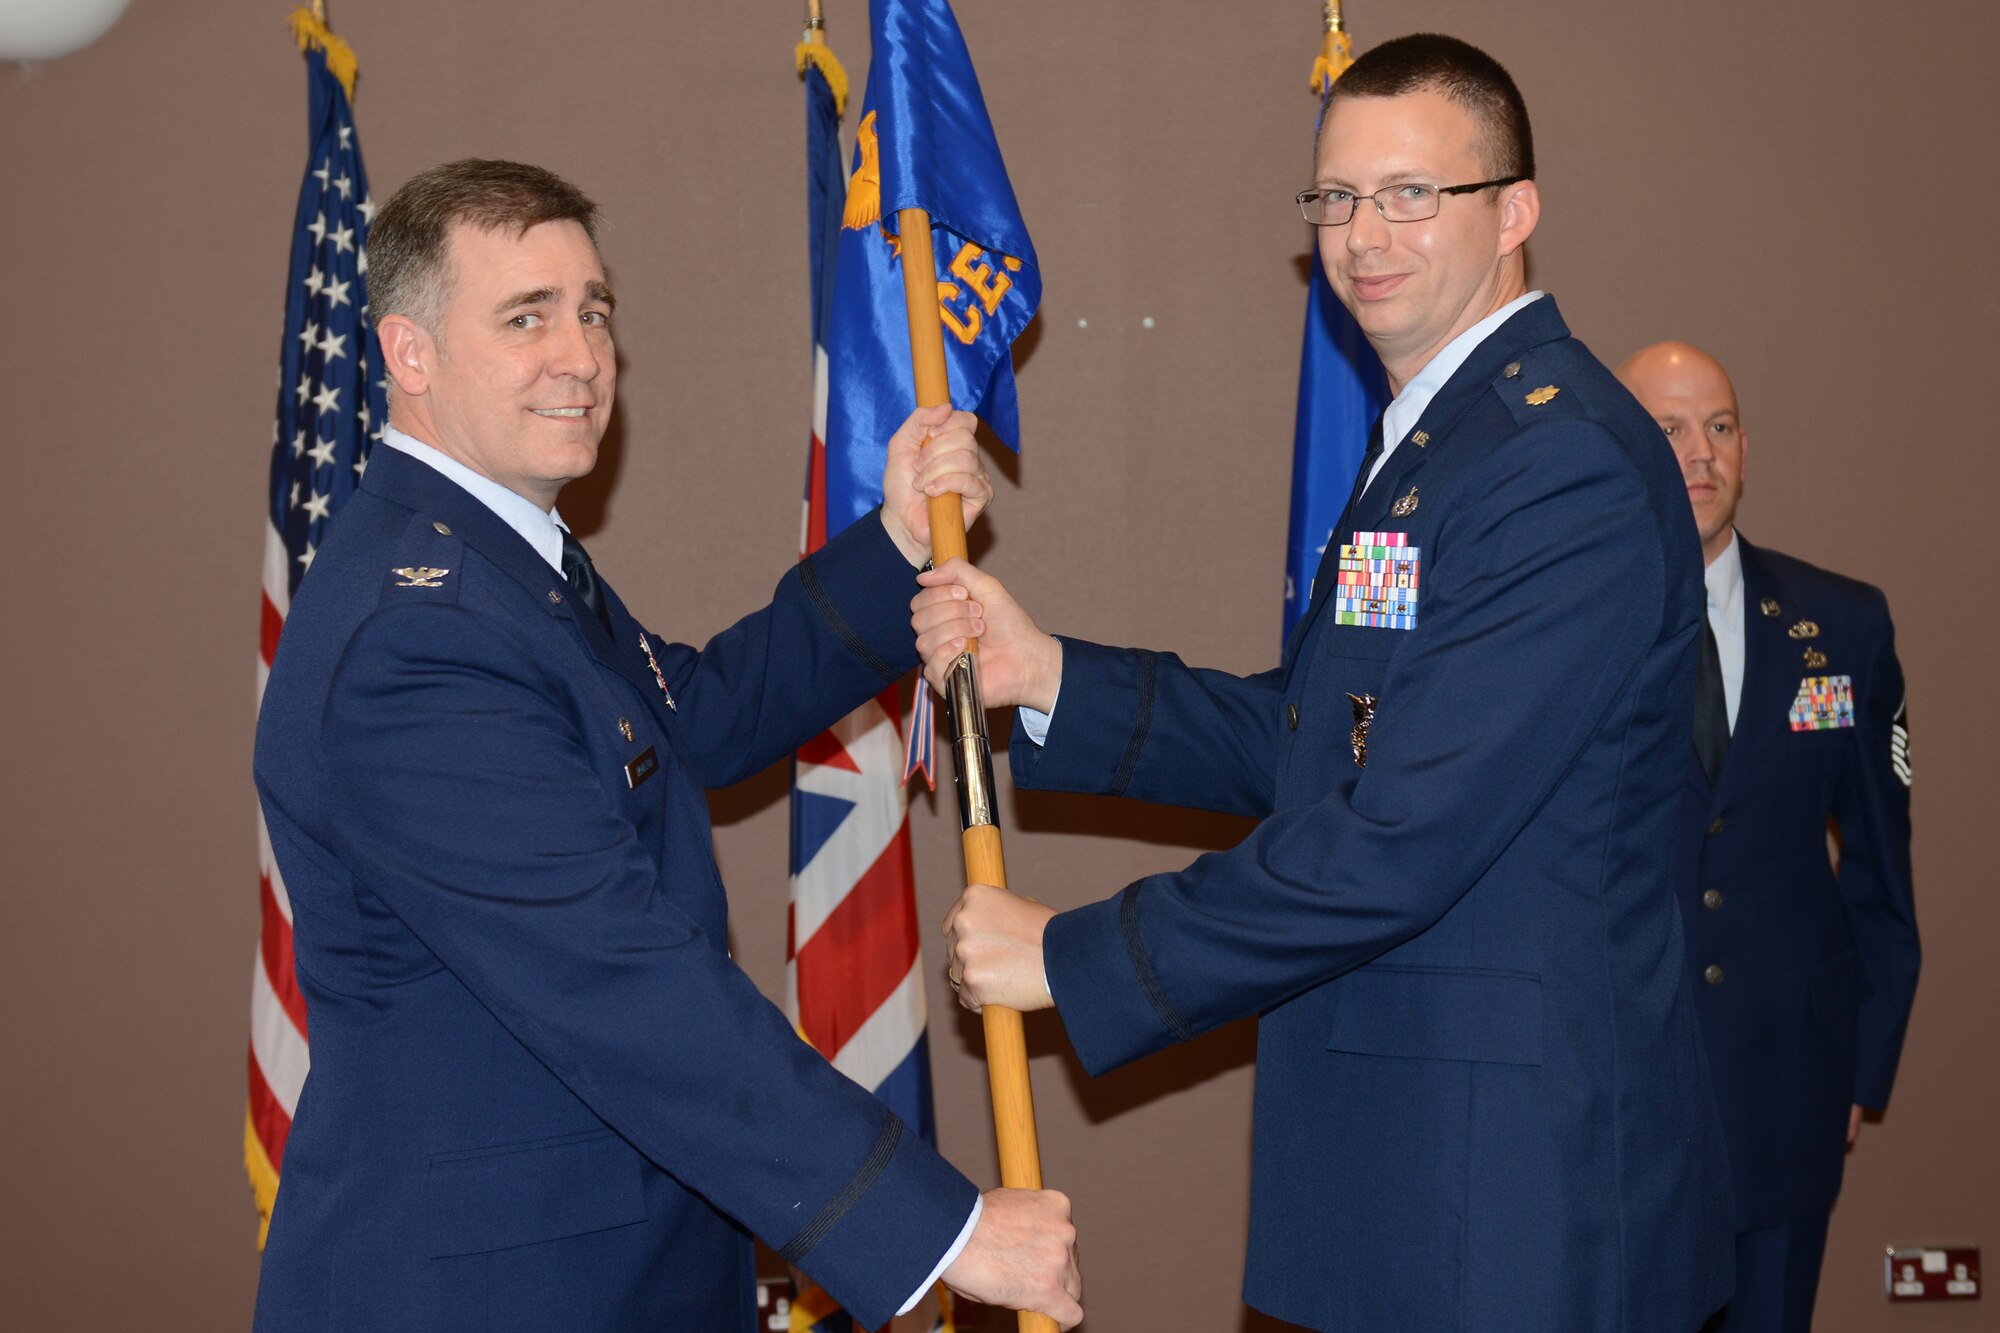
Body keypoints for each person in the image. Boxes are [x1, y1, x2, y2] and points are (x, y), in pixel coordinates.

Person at [913, 35, 1735, 1331]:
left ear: (1516, 211)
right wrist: (1050, 674)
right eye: (1337, 197)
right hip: (1411, 1170)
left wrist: (1075, 956)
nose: (1365, 235)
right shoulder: (1442, 440)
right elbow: (1326, 740)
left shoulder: (1554, 460)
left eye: (1414, 193)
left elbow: (1398, 837)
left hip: (1511, 1194)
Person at [252, 159, 1082, 1333]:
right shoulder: (416, 635)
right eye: (524, 317)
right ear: (409, 355)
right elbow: (617, 976)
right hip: (489, 1290)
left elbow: (679, 716)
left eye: (591, 310)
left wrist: (894, 539)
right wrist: (933, 1223)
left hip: (606, 1256)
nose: (580, 355)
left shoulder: (495, 560)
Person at [1618, 341, 1919, 1332]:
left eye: (1715, 426)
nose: (1696, 452)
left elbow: (1880, 867)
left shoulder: (1839, 623)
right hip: (1615, 1103)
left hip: (1787, 1089)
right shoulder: (1564, 628)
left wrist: (1857, 1066)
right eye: (1663, 428)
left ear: (1744, 448)